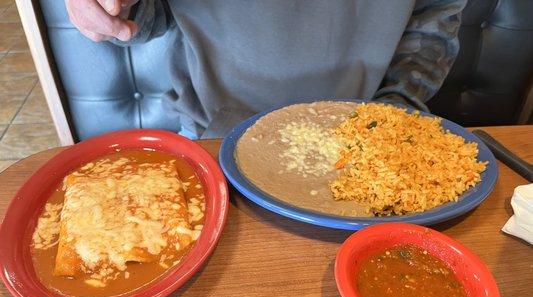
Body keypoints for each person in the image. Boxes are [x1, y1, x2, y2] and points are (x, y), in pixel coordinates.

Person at [65, 0, 467, 139]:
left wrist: (393, 112)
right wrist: (113, 10)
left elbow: (434, 18)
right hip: (214, 131)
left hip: (366, 132)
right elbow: (149, 14)